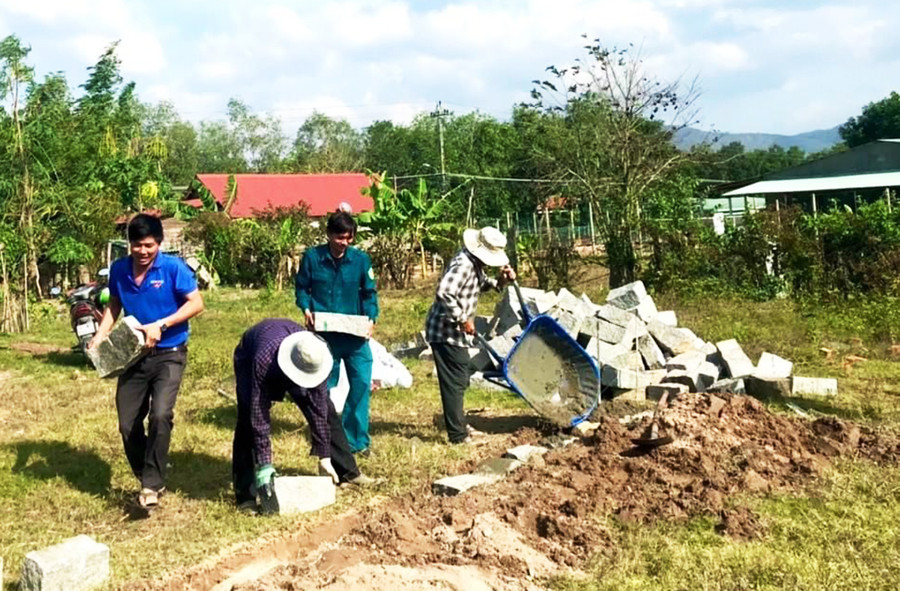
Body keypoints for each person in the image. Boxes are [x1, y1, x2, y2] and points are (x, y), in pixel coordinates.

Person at [88, 214, 205, 508]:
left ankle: (151, 484)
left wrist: (161, 325)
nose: (143, 251)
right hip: (132, 354)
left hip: (170, 352)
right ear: (130, 245)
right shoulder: (119, 270)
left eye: (149, 246)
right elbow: (114, 304)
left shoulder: (173, 268)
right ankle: (147, 471)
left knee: (160, 415)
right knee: (128, 423)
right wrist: (101, 334)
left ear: (159, 243)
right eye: (137, 245)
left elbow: (196, 303)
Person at [232, 319, 376, 514]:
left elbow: (319, 411)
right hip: (250, 355)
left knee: (327, 409)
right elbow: (259, 416)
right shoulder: (263, 361)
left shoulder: (317, 355)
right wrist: (265, 463)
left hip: (289, 350)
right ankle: (246, 496)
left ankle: (347, 472)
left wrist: (324, 455)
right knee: (248, 417)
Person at [295, 212, 378, 456]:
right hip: (324, 336)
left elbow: (369, 292)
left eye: (349, 238)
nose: (344, 242)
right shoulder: (312, 258)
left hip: (355, 336)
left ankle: (356, 441)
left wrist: (372, 317)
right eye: (340, 237)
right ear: (329, 235)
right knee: (321, 388)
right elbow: (302, 287)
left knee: (362, 383)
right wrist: (306, 307)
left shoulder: (361, 260)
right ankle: (324, 439)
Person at [425, 227, 516, 444]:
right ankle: (457, 435)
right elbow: (444, 292)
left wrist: (501, 281)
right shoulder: (463, 264)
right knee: (455, 380)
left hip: (454, 332)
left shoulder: (474, 263)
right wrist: (461, 318)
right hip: (445, 330)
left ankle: (458, 423)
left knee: (461, 375)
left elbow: (481, 284)